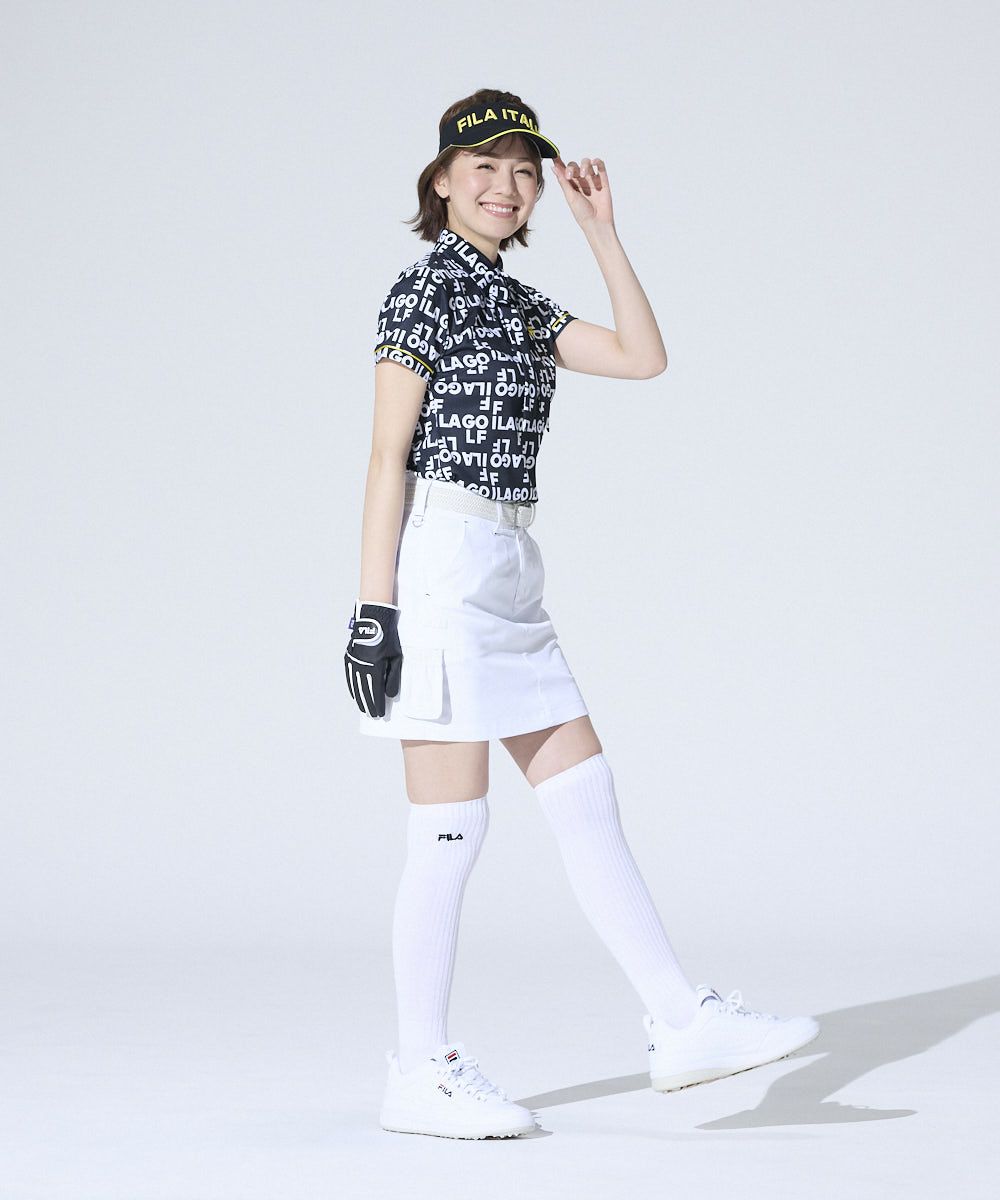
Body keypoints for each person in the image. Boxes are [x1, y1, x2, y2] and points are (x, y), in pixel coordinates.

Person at [345, 89, 820, 1141]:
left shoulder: (518, 303)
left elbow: (643, 357)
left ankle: (680, 1021)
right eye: (484, 165)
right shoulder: (422, 291)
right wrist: (374, 610)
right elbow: (386, 455)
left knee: (585, 794)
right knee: (448, 831)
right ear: (440, 180)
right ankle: (417, 1070)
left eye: (523, 170)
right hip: (442, 561)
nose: (506, 184)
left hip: (510, 563)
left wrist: (603, 232)